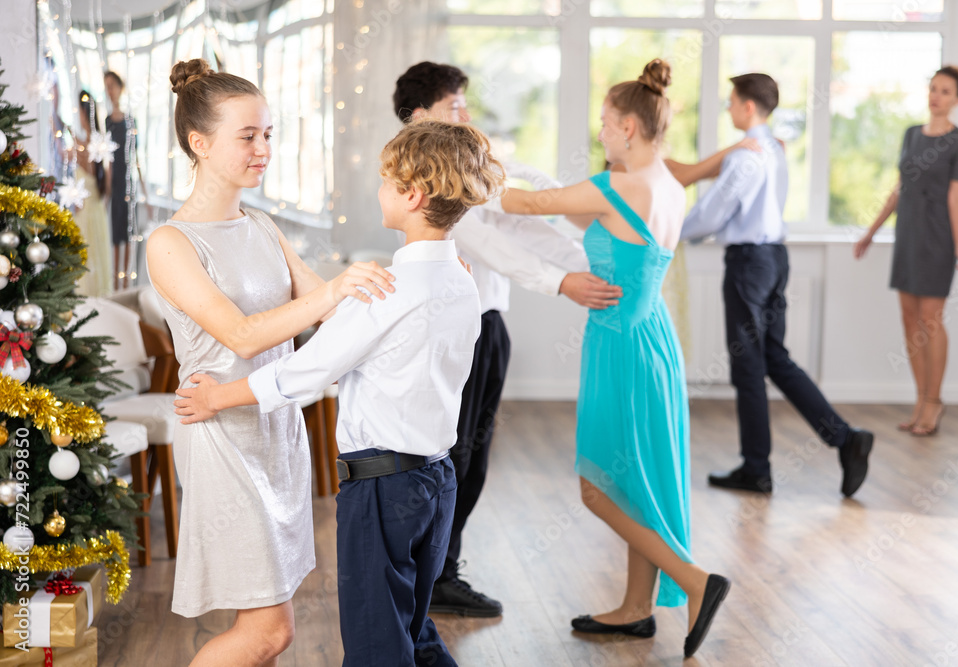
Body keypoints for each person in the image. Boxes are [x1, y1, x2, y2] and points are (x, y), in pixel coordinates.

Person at [174, 119, 506, 667]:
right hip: (436, 480)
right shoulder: (462, 279)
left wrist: (217, 397)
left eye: (385, 180)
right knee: (413, 633)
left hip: (382, 489)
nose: (378, 190)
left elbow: (305, 372)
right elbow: (364, 360)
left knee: (379, 646)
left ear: (413, 195)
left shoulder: (387, 291)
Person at [146, 58, 395, 667]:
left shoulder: (260, 224)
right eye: (247, 136)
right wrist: (331, 293)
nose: (263, 150)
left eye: (268, 135)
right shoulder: (171, 243)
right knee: (268, 632)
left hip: (277, 432)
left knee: (266, 620)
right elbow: (242, 334)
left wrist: (424, 280)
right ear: (198, 143)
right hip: (221, 434)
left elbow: (331, 312)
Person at [501, 59, 729, 659]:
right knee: (638, 480)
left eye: (605, 122)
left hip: (621, 346)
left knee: (599, 487)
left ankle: (696, 581)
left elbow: (528, 204)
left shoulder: (617, 186)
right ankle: (635, 609)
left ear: (630, 126)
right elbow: (575, 213)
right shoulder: (665, 188)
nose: (599, 133)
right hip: (653, 338)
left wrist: (470, 171)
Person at [393, 61, 622, 618]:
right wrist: (561, 281)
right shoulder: (423, 170)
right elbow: (486, 241)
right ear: (420, 114)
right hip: (456, 329)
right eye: (454, 106)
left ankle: (441, 569)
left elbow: (521, 221)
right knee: (453, 456)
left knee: (473, 457)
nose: (465, 115)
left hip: (487, 325)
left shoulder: (466, 160)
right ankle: (434, 576)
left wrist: (588, 261)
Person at [680, 73, 873, 496]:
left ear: (749, 106)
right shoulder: (775, 149)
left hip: (749, 264)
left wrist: (667, 231)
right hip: (774, 259)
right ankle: (846, 438)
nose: (729, 109)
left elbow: (712, 214)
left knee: (748, 367)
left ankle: (756, 468)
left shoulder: (745, 155)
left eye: (731, 102)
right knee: (773, 359)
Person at [854, 66, 958, 437]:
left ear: (957, 99)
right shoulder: (910, 135)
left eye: (945, 91)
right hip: (907, 233)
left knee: (930, 319)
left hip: (937, 237)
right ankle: (920, 399)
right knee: (909, 318)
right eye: (933, 88)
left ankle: (934, 402)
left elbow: (956, 196)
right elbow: (899, 188)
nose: (936, 95)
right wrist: (871, 232)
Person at [104, 71, 152, 290]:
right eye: (107, 86)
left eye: (112, 85)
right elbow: (108, 160)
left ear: (120, 88)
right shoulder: (106, 121)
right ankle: (116, 284)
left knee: (128, 232)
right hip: (114, 187)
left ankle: (124, 284)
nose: (109, 90)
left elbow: (136, 158)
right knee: (116, 234)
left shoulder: (130, 121)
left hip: (129, 185)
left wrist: (145, 192)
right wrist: (106, 189)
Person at [72, 90, 113, 297]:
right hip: (98, 210)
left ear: (82, 113)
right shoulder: (100, 145)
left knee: (87, 259)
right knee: (97, 258)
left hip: (87, 213)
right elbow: (108, 186)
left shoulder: (81, 147)